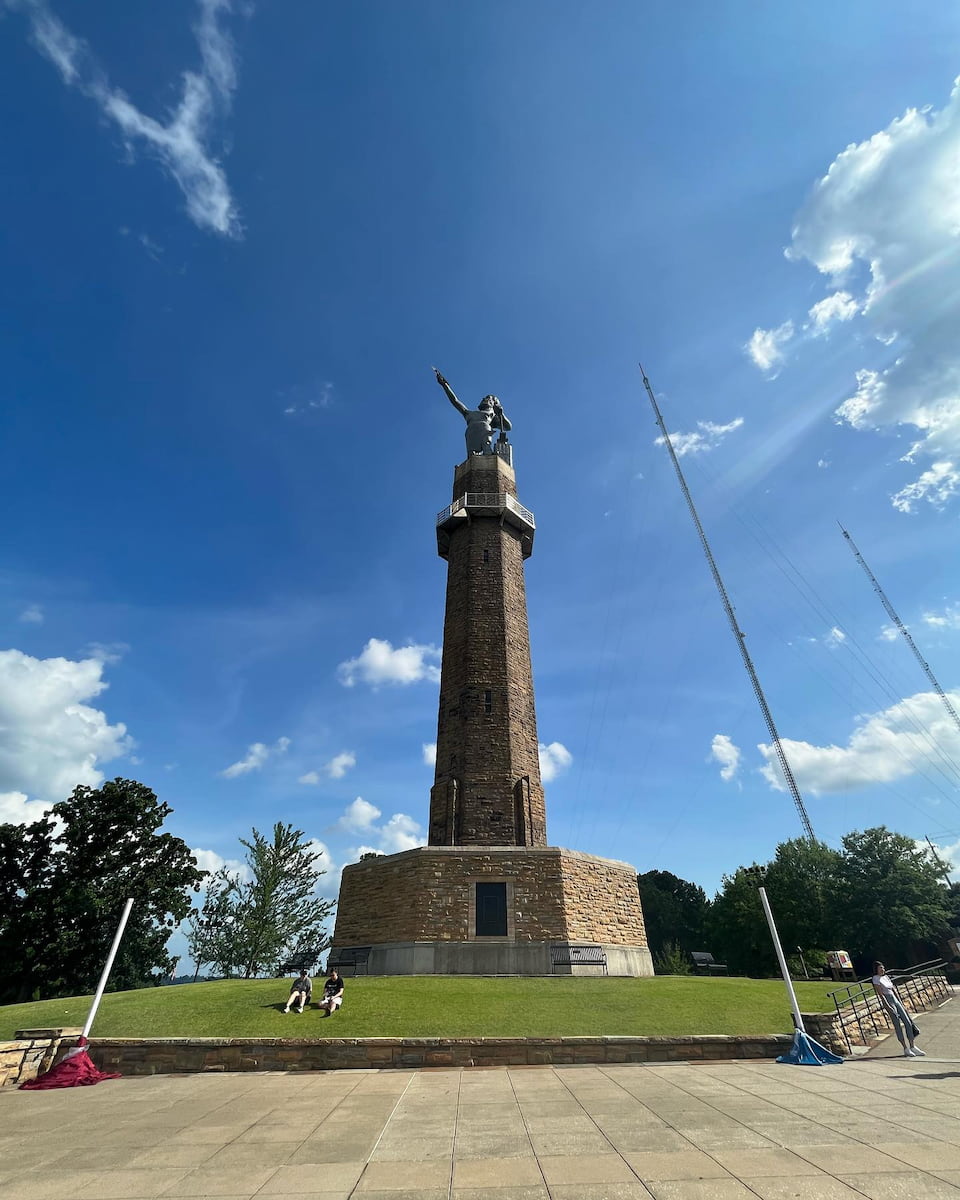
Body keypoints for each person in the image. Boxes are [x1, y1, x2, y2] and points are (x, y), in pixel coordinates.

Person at [434, 368, 511, 456]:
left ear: (493, 404)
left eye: (488, 398)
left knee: (486, 445)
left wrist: (501, 414)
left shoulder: (492, 416)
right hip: (471, 434)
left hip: (485, 432)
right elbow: (455, 401)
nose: (483, 399)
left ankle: (488, 453)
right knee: (471, 456)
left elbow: (508, 427)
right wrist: (445, 385)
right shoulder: (468, 413)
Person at [872, 961, 925, 1057]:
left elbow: (893, 989)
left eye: (883, 968)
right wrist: (887, 1006)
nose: (882, 969)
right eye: (880, 968)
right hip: (888, 1000)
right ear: (876, 969)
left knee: (908, 1021)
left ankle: (912, 1046)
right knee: (897, 1024)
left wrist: (900, 1002)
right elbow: (881, 994)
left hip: (895, 999)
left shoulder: (886, 977)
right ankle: (905, 1048)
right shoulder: (876, 978)